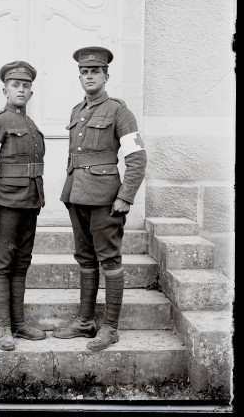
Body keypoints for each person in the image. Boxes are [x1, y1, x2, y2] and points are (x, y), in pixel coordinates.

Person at [53, 46, 147, 351]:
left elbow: (136, 157)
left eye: (95, 71)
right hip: (76, 195)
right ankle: (85, 321)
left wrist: (125, 197)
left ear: (106, 76)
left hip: (106, 199)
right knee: (84, 258)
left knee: (109, 259)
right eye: (84, 72)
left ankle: (110, 327)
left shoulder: (119, 111)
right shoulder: (76, 111)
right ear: (79, 77)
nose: (89, 76)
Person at [0, 61, 46, 351]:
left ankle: (19, 324)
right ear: (5, 89)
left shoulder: (30, 124)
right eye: (16, 85)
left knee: (22, 263)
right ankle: (3, 328)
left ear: (31, 92)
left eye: (26, 86)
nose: (22, 90)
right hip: (5, 204)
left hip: (30, 204)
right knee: (3, 265)